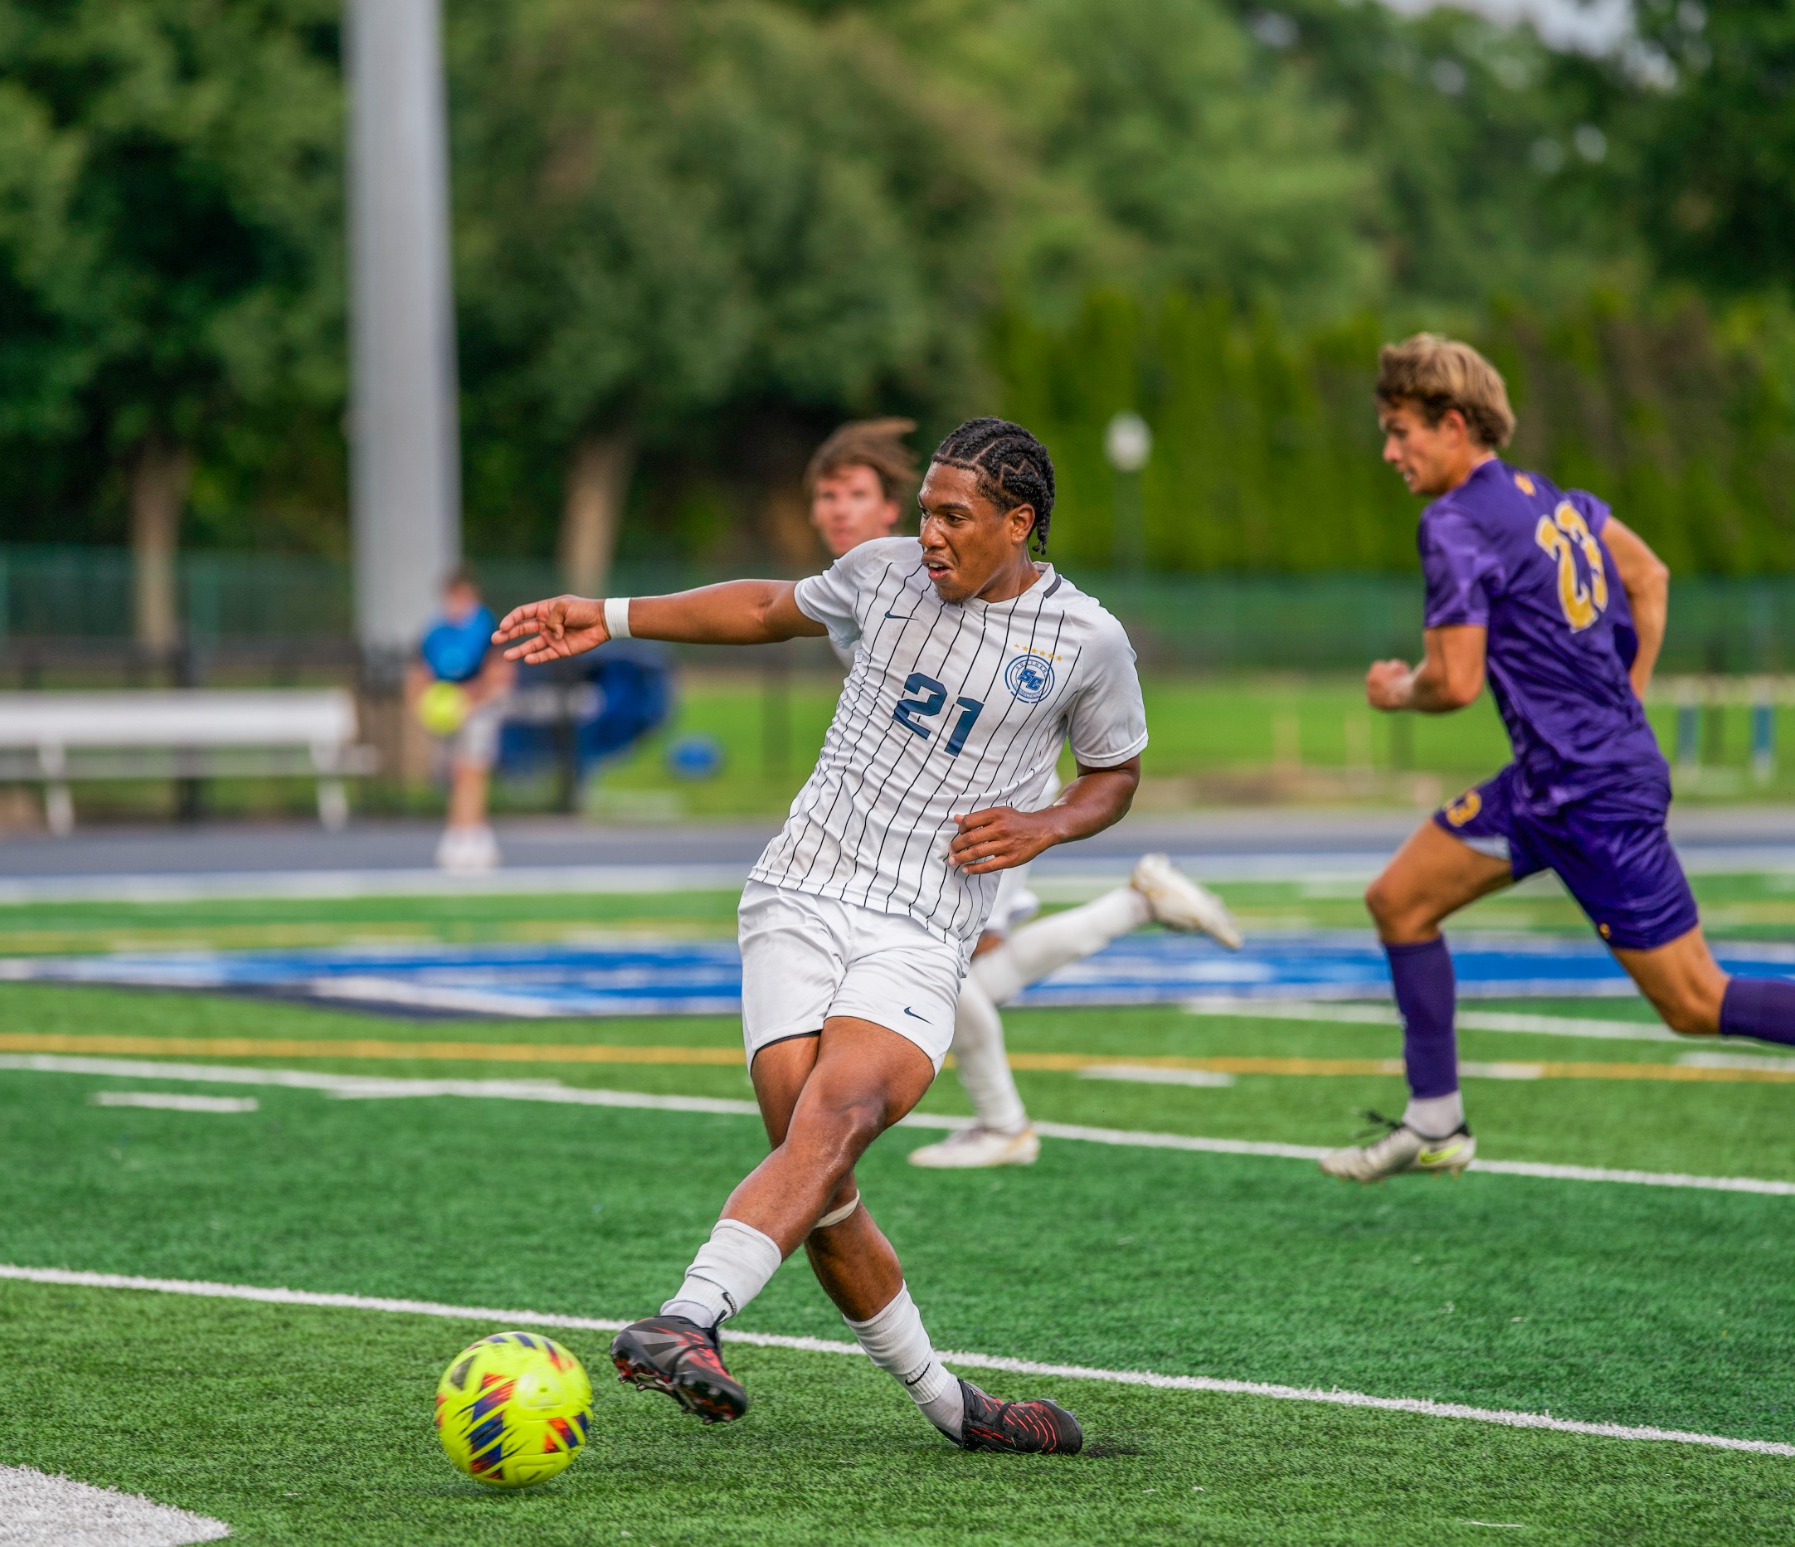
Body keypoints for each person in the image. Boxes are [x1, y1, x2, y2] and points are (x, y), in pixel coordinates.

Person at [495, 417, 1144, 1453]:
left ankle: (687, 1316)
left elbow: (1113, 776)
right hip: (797, 891)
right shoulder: (882, 572)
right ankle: (955, 1409)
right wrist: (607, 614)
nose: (925, 533)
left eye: (952, 516)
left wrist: (1046, 821)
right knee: (819, 1171)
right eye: (923, 510)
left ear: (1018, 523)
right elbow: (762, 605)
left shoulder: (1087, 639)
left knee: (834, 1116)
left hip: (923, 924)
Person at [1324, 333, 1795, 1184]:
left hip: (1590, 795)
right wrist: (1626, 699)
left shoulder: (1455, 521)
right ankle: (1435, 1122)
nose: (1389, 452)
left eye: (1400, 431)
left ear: (1454, 422)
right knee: (1398, 899)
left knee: (1694, 1001)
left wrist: (1400, 691)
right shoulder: (1554, 500)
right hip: (1552, 783)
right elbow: (1649, 577)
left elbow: (1457, 682)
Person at [804, 419, 1243, 1170]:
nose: (838, 510)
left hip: (980, 800)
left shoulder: (923, 569)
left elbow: (1102, 753)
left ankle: (1005, 1121)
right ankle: (1135, 905)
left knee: (940, 962)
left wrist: (1040, 817)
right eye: (826, 495)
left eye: (857, 494)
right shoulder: (872, 577)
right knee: (971, 968)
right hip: (923, 804)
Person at [412, 569, 515, 874]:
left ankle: (468, 837)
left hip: (480, 708)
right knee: (458, 773)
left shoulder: (486, 629)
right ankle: (465, 833)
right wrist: (427, 704)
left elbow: (500, 674)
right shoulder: (435, 632)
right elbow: (420, 674)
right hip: (449, 713)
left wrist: (467, 698)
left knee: (472, 771)